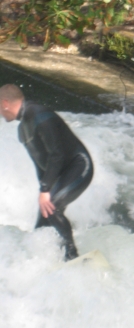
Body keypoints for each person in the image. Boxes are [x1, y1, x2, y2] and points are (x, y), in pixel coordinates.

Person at [0, 84, 94, 260]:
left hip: (79, 166)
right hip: (59, 175)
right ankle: (47, 259)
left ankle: (72, 255)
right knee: (42, 222)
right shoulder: (22, 130)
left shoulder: (39, 115)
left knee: (53, 209)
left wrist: (45, 190)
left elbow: (57, 154)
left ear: (5, 103)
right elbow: (40, 165)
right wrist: (44, 188)